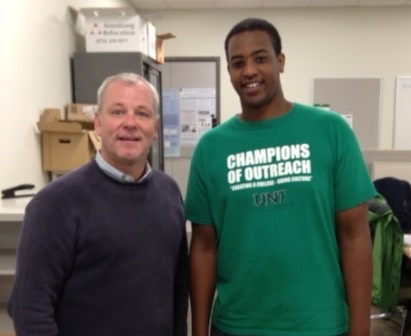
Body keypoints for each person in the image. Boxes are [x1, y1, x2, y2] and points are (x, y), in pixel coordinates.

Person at [185, 18, 376, 336]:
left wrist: (360, 331)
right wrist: (199, 332)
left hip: (320, 325)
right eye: (237, 62)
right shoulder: (210, 147)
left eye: (260, 58)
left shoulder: (330, 131)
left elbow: (355, 236)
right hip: (237, 325)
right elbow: (203, 248)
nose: (248, 71)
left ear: (280, 61)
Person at [8, 72, 188, 335]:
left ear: (155, 127)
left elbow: (178, 291)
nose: (130, 123)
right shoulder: (55, 204)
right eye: (117, 112)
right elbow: (29, 309)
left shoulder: (169, 193)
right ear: (98, 124)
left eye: (142, 113)